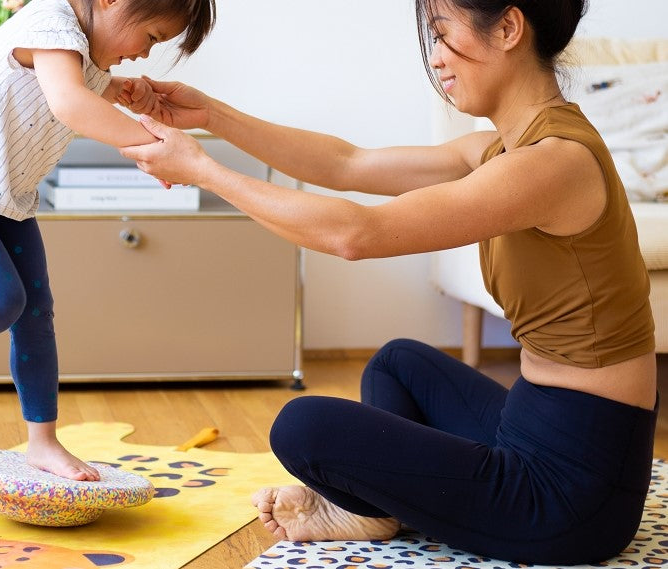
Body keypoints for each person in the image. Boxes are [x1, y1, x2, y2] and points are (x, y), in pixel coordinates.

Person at [116, 0, 658, 563]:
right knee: (399, 365)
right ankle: (378, 509)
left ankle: (379, 503)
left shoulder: (552, 164)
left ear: (508, 27)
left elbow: (356, 235)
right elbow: (347, 163)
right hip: (532, 424)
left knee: (303, 425)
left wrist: (204, 171)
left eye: (442, 34)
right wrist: (212, 116)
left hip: (572, 498)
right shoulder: (504, 149)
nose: (436, 58)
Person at [0, 0, 216, 481]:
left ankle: (42, 441)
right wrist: (156, 147)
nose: (145, 53)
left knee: (36, 315)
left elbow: (82, 88)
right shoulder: (51, 21)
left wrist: (124, 91)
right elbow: (70, 103)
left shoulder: (81, 56)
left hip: (5, 197)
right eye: (151, 37)